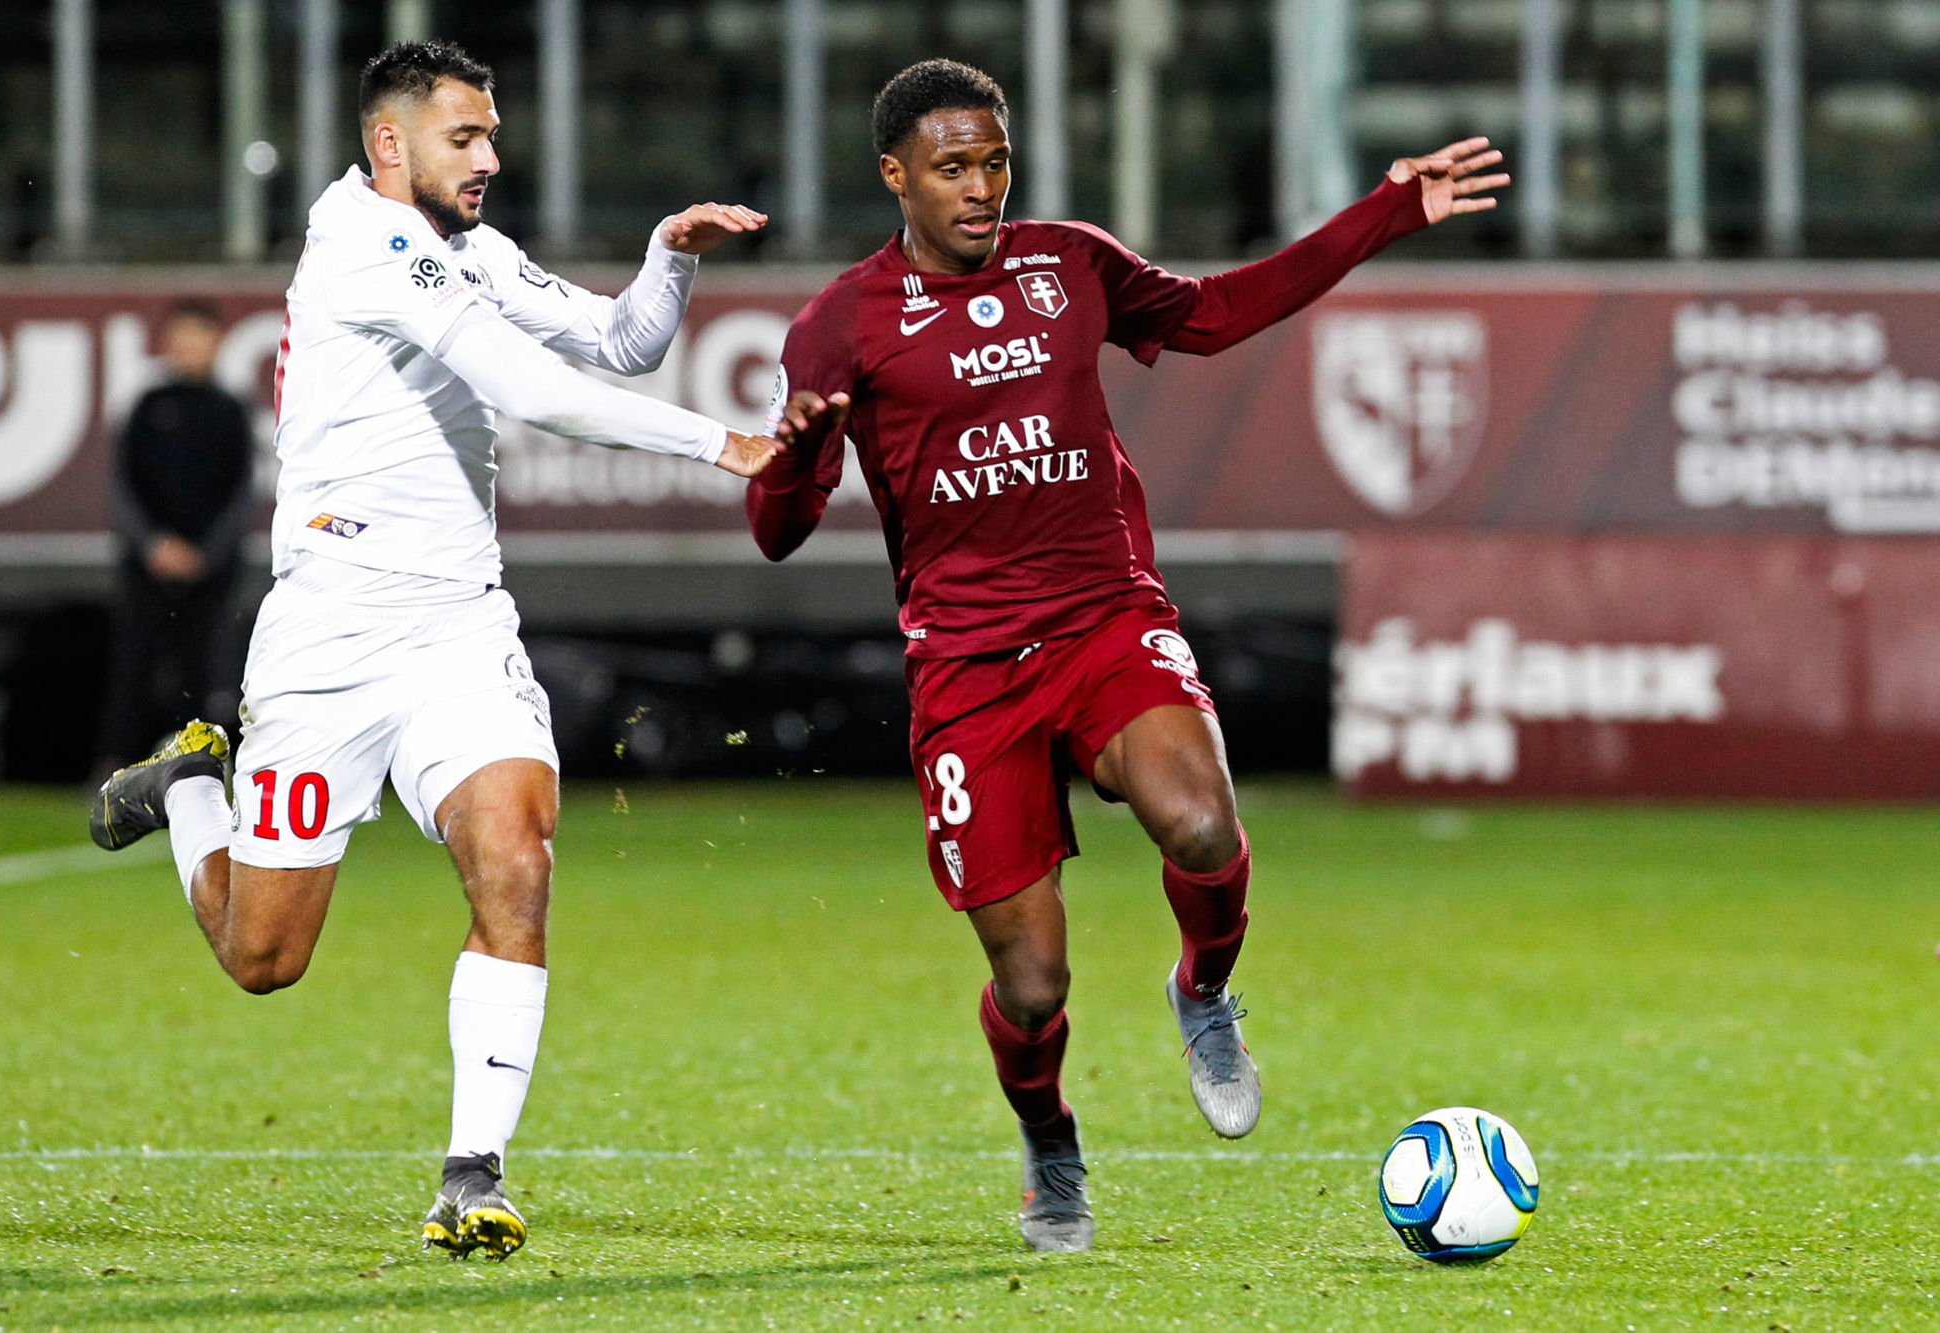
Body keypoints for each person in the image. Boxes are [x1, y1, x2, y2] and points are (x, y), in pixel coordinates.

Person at [749, 59, 1507, 1252]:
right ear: (894, 176)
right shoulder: (839, 323)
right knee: (1033, 985)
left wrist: (1385, 211)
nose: (983, 186)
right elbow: (776, 534)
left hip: (1104, 614)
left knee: (1200, 820)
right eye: (954, 167)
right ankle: (1050, 1144)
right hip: (965, 666)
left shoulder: (1070, 262)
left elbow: (1213, 314)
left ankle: (1202, 989)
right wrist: (798, 452)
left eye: (996, 159)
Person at [89, 40, 830, 1260]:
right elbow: (530, 391)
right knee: (264, 957)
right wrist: (726, 446)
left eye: (491, 135)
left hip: (457, 623)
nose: (491, 157)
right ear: (391, 145)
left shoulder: (465, 248)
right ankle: (189, 791)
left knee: (518, 863)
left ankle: (470, 1171)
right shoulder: (363, 244)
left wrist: (666, 260)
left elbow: (618, 344)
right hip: (328, 631)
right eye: (464, 138)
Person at [92, 299, 253, 779]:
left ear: (217, 343)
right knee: (133, 663)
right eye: (181, 338)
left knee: (205, 668)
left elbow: (240, 492)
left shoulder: (230, 411)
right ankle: (116, 765)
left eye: (199, 337)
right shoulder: (146, 406)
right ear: (166, 344)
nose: (190, 348)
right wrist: (152, 545)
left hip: (211, 568)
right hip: (147, 565)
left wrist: (205, 553)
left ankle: (197, 768)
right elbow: (123, 485)